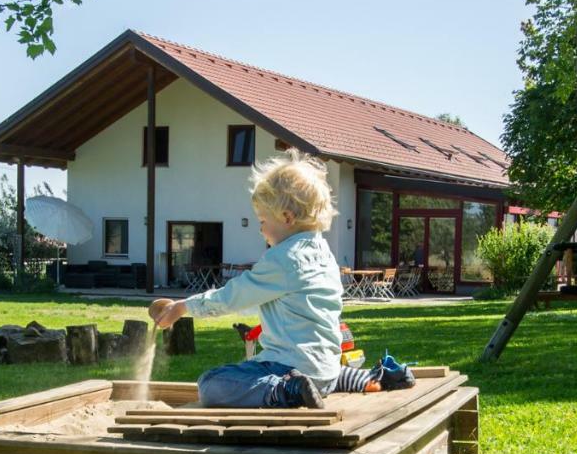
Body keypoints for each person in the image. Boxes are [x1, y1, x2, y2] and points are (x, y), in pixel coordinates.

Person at [150, 149, 410, 408]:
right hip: (326, 368)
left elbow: (234, 296)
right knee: (319, 372)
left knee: (211, 383)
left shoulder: (283, 259)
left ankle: (284, 390)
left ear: (287, 217)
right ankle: (372, 376)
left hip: (290, 366)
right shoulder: (324, 254)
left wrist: (183, 306)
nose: (261, 229)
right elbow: (263, 300)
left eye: (263, 220)